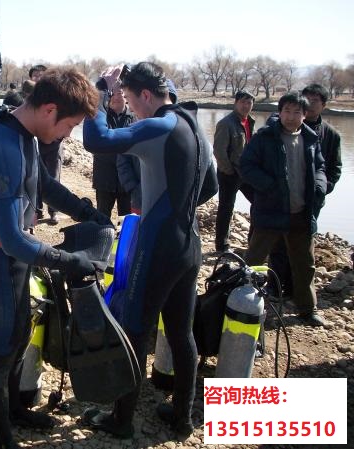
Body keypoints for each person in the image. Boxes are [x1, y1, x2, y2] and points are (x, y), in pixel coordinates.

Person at [0, 69, 111, 449]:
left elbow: (44, 185)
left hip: (11, 263)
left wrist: (86, 212)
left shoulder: (26, 135)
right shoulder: (2, 145)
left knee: (19, 334)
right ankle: (2, 440)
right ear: (50, 109)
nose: (68, 135)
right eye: (69, 125)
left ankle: (15, 410)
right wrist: (71, 261)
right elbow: (13, 240)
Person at [81, 62, 218, 441]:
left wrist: (98, 95)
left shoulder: (158, 126)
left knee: (136, 329)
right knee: (180, 332)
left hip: (157, 246)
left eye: (129, 99)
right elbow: (212, 184)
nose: (130, 109)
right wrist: (176, 208)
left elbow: (97, 142)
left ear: (145, 95)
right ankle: (181, 417)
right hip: (188, 245)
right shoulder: (195, 126)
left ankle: (121, 421)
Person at [240, 92, 327, 327]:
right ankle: (241, 305)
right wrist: (268, 186)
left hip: (301, 212)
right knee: (255, 260)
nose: (290, 117)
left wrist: (320, 186)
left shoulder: (310, 138)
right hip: (271, 211)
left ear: (305, 114)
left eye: (296, 112)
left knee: (304, 264)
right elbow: (246, 167)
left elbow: (320, 166)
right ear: (279, 112)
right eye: (286, 111)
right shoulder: (264, 137)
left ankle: (308, 309)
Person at [269, 84, 343, 297]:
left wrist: (321, 189)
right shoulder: (277, 128)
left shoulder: (330, 135)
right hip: (280, 201)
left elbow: (333, 168)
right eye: (306, 101)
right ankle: (275, 286)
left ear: (324, 105)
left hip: (309, 202)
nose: (309, 106)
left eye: (315, 102)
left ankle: (296, 290)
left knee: (303, 249)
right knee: (278, 246)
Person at [116, 80, 178, 215]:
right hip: (140, 198)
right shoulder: (134, 129)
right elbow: (122, 161)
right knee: (137, 233)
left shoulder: (180, 132)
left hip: (171, 204)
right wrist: (133, 187)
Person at [212, 89, 256, 252]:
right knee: (226, 208)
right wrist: (228, 170)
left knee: (258, 202)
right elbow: (219, 151)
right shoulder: (226, 123)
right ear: (235, 103)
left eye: (249, 102)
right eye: (243, 102)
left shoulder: (250, 121)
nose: (246, 106)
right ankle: (222, 245)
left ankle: (253, 242)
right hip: (229, 173)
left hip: (247, 172)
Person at [29, 65, 65, 225]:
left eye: (40, 75)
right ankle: (36, 209)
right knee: (33, 176)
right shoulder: (28, 96)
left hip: (54, 145)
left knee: (53, 176)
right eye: (35, 75)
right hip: (35, 144)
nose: (37, 78)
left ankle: (54, 211)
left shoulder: (57, 95)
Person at [92, 87, 135, 218]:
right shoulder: (101, 117)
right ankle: (103, 238)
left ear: (126, 97)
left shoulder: (134, 117)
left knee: (127, 220)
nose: (116, 97)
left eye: (120, 93)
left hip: (127, 180)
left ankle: (123, 240)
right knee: (102, 218)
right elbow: (95, 143)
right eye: (112, 94)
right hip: (104, 178)